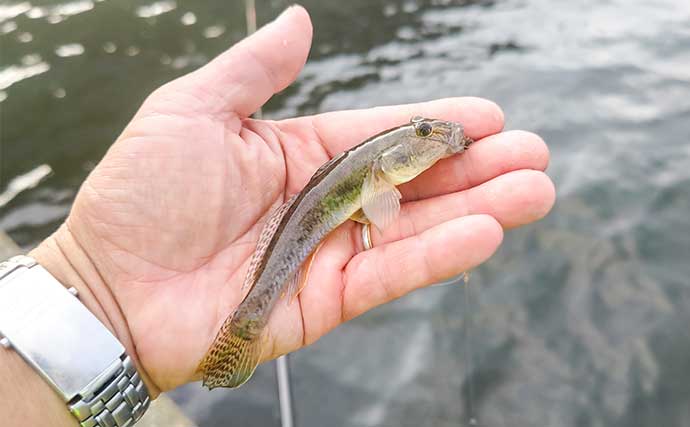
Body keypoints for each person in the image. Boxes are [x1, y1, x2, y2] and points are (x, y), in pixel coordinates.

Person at [0, 5, 554, 425]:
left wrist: (94, 289)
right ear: (390, 161)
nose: (430, 137)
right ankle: (245, 329)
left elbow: (378, 205)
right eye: (423, 134)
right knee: (267, 299)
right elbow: (378, 208)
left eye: (428, 133)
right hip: (270, 261)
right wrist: (95, 285)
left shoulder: (382, 172)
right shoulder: (381, 172)